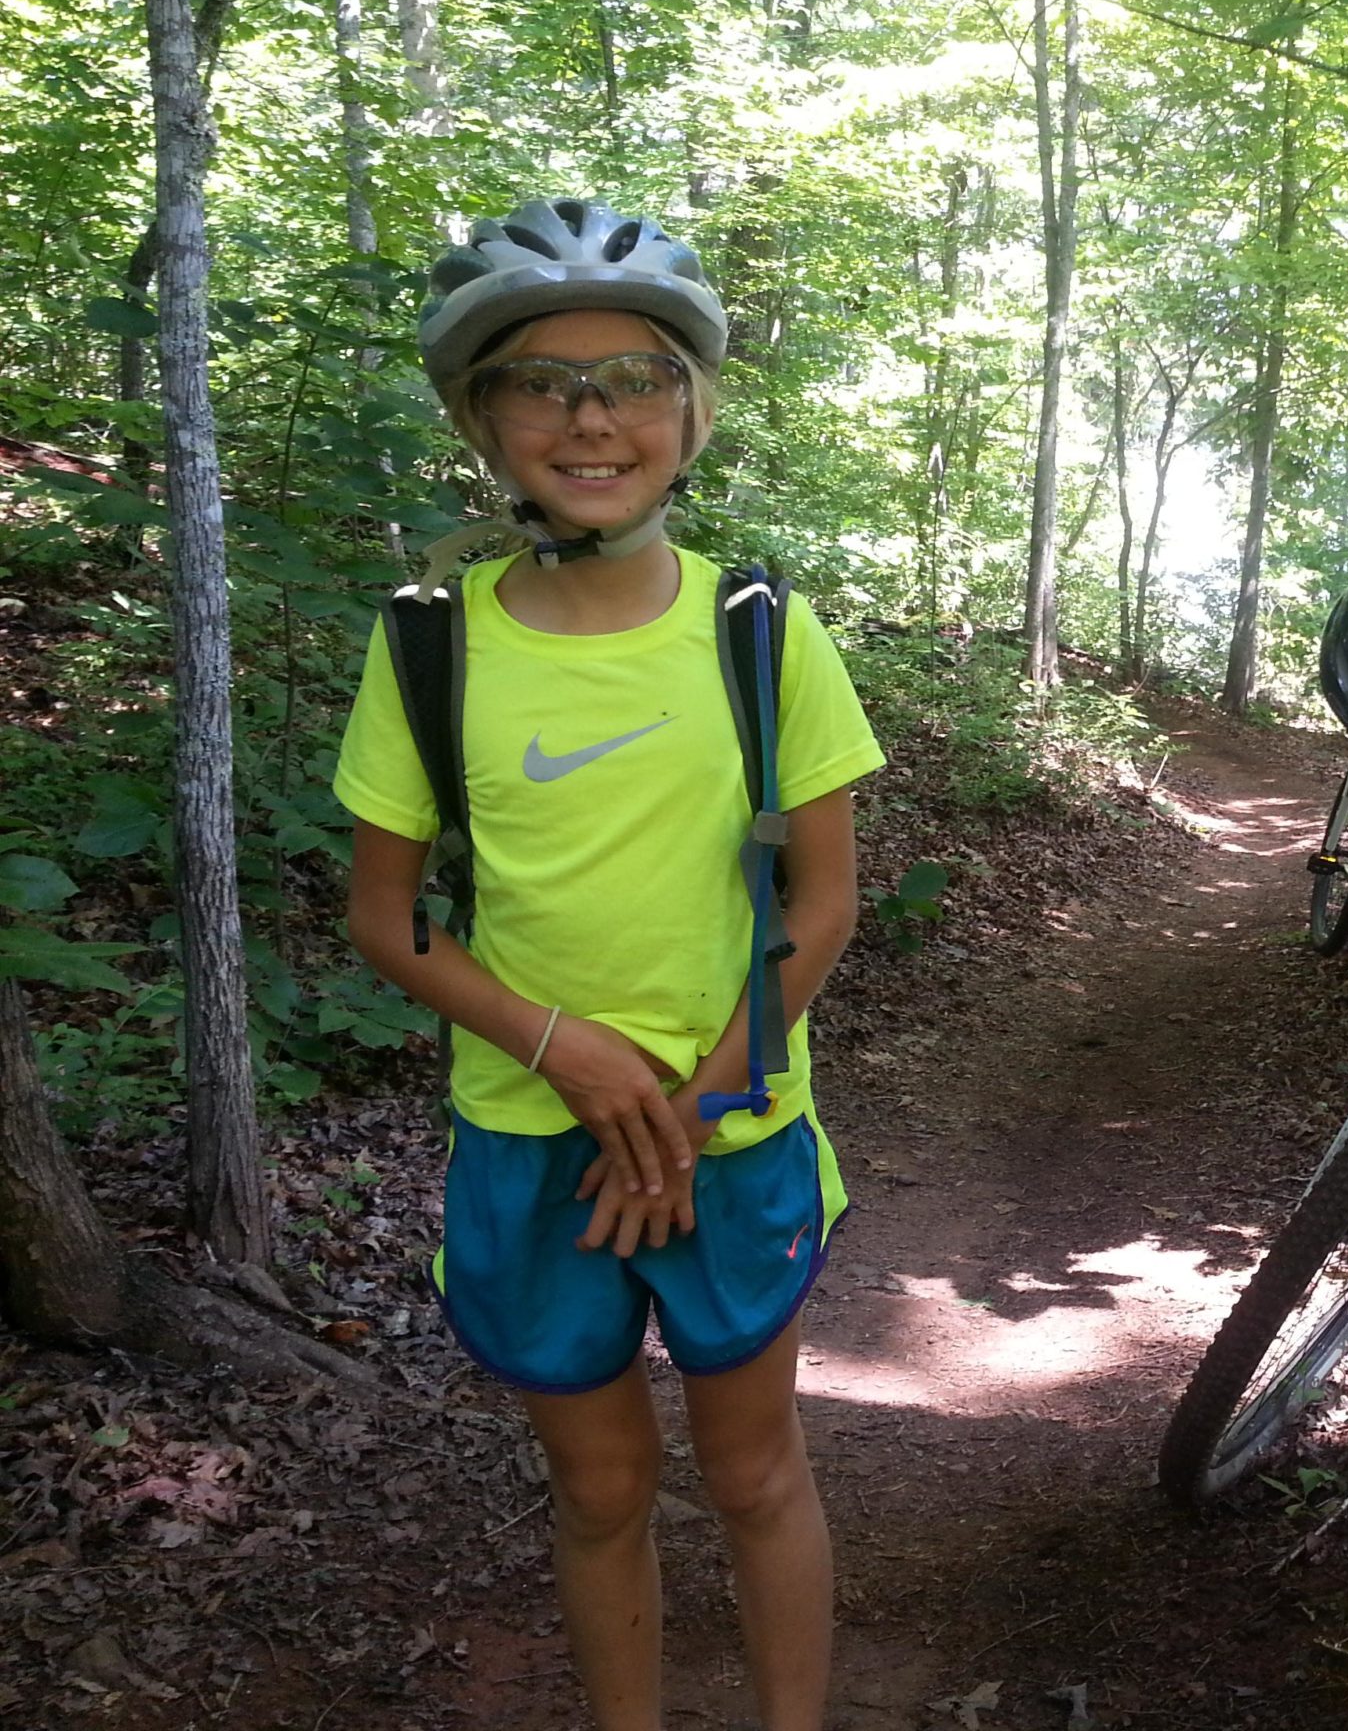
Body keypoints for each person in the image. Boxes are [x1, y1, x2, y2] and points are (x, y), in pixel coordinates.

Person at [334, 197, 880, 1731]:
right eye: (541, 381)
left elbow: (821, 907)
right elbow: (388, 916)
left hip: (734, 1138)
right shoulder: (431, 644)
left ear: (692, 410)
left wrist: (689, 1113)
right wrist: (562, 1048)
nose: (590, 416)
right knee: (598, 1492)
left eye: (634, 377)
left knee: (757, 1472)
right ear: (480, 414)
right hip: (528, 1140)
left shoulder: (763, 634)